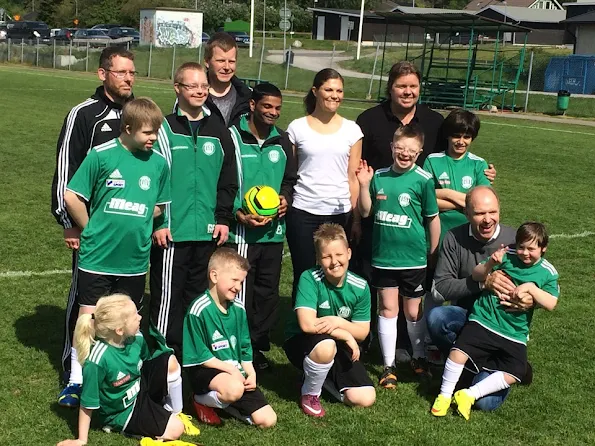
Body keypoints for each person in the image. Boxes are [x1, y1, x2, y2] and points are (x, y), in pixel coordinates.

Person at [61, 98, 170, 406]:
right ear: (127, 128)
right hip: (98, 255)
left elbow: (160, 206)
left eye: (156, 132)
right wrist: (90, 228)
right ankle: (76, 381)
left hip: (134, 258)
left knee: (130, 320)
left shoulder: (159, 163)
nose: (153, 138)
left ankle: (126, 382)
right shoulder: (101, 155)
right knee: (88, 317)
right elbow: (72, 196)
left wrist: (142, 219)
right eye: (148, 132)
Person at [51, 46, 136, 406]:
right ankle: (75, 375)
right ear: (102, 74)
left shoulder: (138, 114)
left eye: (132, 73)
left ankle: (119, 370)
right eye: (121, 72)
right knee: (85, 301)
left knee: (125, 306)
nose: (128, 78)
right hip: (92, 230)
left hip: (129, 232)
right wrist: (70, 223)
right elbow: (65, 171)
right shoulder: (84, 115)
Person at [150, 62, 237, 359]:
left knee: (198, 298)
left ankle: (192, 355)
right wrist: (159, 221)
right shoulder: (164, 128)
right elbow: (156, 178)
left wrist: (223, 218)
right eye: (192, 86)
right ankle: (162, 358)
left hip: (208, 232)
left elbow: (228, 179)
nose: (200, 91)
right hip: (173, 232)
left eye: (203, 86)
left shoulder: (219, 130)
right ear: (177, 89)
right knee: (167, 300)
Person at [431, 222, 559, 420]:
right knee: (459, 352)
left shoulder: (548, 272)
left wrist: (531, 289)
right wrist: (491, 264)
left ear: (544, 248)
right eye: (522, 247)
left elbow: (551, 303)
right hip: (485, 319)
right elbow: (476, 274)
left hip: (514, 331)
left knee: (517, 370)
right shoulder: (507, 255)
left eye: (531, 249)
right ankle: (444, 396)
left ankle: (468, 394)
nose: (525, 253)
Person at [428, 185, 535, 411]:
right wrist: (481, 283)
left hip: (502, 327)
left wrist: (531, 299)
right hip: (468, 318)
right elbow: (441, 287)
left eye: (492, 212)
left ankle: (494, 366)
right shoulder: (453, 238)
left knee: (486, 404)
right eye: (479, 213)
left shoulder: (515, 241)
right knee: (438, 318)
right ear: (466, 214)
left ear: (499, 211)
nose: (487, 219)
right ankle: (486, 367)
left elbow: (545, 280)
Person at [357, 124, 440, 388]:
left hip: (414, 259)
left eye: (411, 150)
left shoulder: (423, 180)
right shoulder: (379, 176)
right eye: (401, 148)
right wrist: (363, 185)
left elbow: (432, 219)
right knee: (387, 309)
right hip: (383, 258)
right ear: (392, 147)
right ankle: (388, 365)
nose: (405, 154)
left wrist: (433, 253)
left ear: (420, 152)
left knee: (413, 311)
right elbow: (366, 210)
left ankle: (418, 357)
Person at [57, 294, 199, 445]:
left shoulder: (136, 338)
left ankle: (176, 412)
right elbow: (87, 402)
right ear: (119, 330)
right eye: (134, 316)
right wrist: (81, 439)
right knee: (176, 429)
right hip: (123, 411)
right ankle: (139, 431)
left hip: (139, 389)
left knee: (170, 361)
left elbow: (146, 365)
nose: (140, 317)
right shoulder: (98, 360)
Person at [228, 83, 297, 370]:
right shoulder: (231, 137)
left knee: (267, 293)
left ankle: (255, 347)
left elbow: (290, 180)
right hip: (241, 231)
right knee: (240, 292)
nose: (273, 112)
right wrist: (237, 212)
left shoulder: (282, 142)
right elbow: (222, 181)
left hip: (272, 233)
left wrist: (285, 199)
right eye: (267, 106)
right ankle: (236, 349)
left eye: (278, 108)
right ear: (253, 105)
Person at [285, 68, 363, 303]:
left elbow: (353, 177)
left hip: (339, 214)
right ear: (315, 91)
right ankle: (301, 329)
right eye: (329, 89)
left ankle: (334, 323)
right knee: (305, 273)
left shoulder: (352, 130)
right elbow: (291, 172)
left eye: (339, 90)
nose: (334, 95)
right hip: (303, 211)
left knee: (336, 273)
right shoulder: (297, 127)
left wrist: (356, 218)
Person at [283, 223, 376, 417]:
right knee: (326, 346)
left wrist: (338, 322)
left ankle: (320, 377)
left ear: (349, 253)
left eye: (339, 255)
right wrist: (344, 334)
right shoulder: (309, 278)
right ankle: (310, 393)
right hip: (301, 341)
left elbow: (361, 332)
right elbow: (307, 325)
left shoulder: (360, 286)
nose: (334, 262)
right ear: (318, 259)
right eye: (326, 256)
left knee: (365, 398)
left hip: (336, 343)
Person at [182, 248, 277, 428]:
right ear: (214, 276)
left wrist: (251, 372)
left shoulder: (238, 308)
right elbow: (199, 356)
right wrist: (230, 370)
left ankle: (225, 406)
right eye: (234, 280)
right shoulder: (199, 310)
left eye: (241, 282)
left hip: (234, 373)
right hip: (207, 370)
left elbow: (244, 347)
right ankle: (199, 399)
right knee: (234, 389)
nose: (238, 287)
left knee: (268, 420)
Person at [423, 109, 490, 242]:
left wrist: (444, 194)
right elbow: (426, 199)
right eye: (456, 136)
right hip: (438, 231)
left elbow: (482, 204)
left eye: (466, 137)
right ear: (447, 135)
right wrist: (462, 202)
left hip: (469, 232)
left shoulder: (479, 164)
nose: (461, 141)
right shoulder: (432, 160)